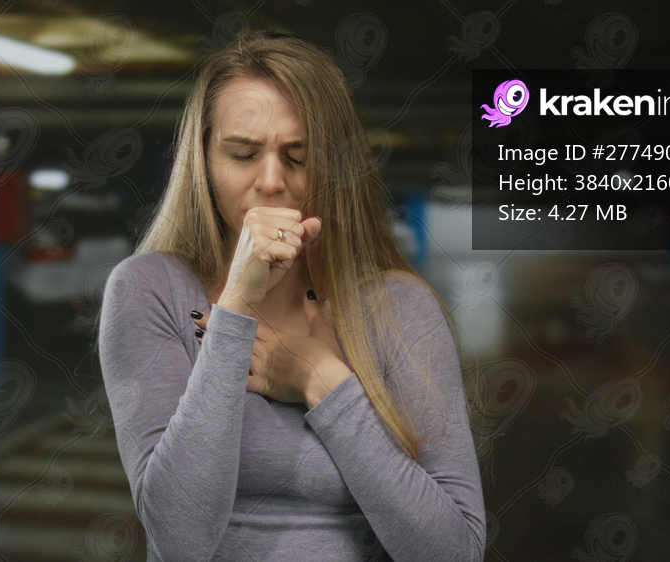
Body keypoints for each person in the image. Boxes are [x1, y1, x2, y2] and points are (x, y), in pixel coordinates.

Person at [98, 31, 485, 561]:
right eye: (242, 154)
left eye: (298, 158)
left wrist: (323, 381)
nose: (271, 181)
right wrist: (235, 307)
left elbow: (453, 552)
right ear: (203, 159)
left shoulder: (400, 309)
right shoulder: (150, 289)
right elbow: (180, 542)